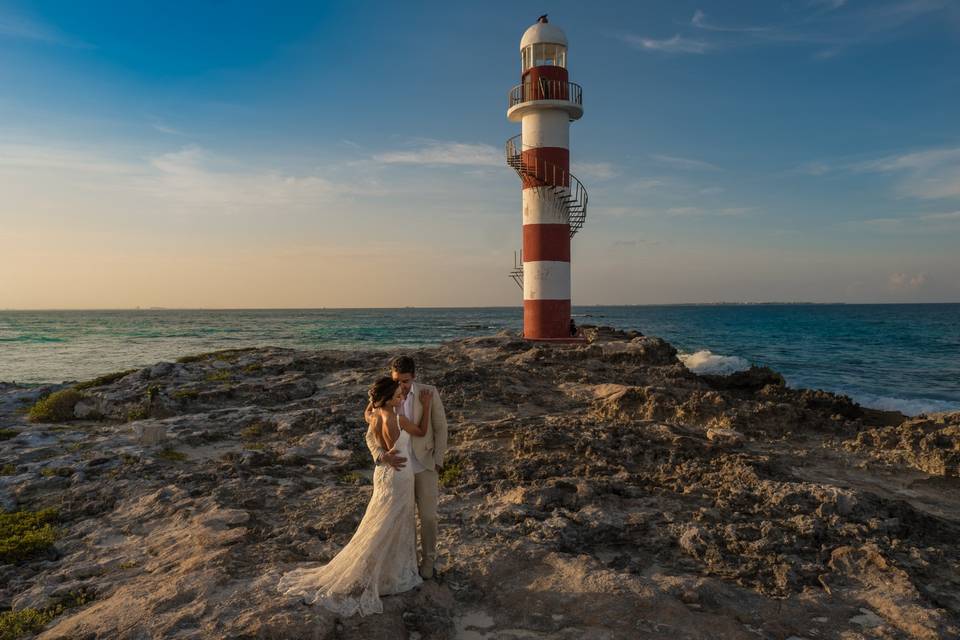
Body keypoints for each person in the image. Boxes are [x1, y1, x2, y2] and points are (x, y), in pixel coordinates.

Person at [276, 377, 432, 616]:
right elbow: (421, 431)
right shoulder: (399, 419)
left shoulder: (374, 416)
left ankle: (379, 567)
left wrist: (381, 453)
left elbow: (367, 414)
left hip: (382, 474)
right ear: (388, 399)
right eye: (398, 396)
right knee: (395, 521)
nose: (402, 398)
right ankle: (389, 574)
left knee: (379, 520)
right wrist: (427, 404)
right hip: (400, 476)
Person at [364, 355, 448, 580]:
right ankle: (408, 565)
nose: (400, 386)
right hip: (398, 470)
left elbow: (440, 427)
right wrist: (381, 456)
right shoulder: (386, 396)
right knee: (404, 519)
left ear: (414, 377)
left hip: (424, 465)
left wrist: (438, 460)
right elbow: (370, 434)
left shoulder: (428, 392)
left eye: (405, 381)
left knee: (429, 517)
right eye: (396, 381)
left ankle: (428, 562)